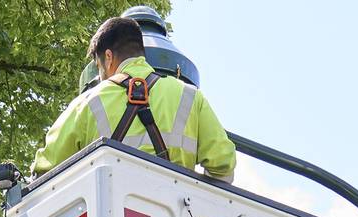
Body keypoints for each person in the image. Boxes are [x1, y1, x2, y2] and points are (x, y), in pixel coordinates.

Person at [30, 15, 236, 181]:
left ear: (108, 57)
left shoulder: (87, 103)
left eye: (99, 67)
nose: (101, 76)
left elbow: (45, 170)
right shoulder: (190, 97)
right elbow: (223, 164)